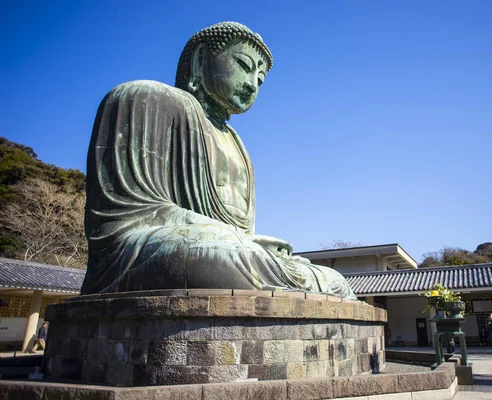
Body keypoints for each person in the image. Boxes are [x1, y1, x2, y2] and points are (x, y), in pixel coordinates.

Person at [80, 22, 355, 299]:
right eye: (243, 65)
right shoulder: (143, 98)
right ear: (201, 61)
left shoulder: (238, 145)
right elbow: (132, 215)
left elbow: (243, 233)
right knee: (224, 256)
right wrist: (237, 241)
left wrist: (249, 244)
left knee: (335, 281)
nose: (251, 85)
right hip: (139, 252)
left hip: (229, 248)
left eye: (260, 80)